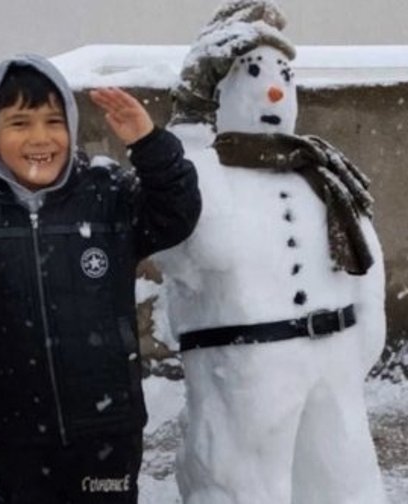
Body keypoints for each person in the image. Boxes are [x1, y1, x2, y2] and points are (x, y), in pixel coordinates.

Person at [0, 53, 200, 503]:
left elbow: (177, 216)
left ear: (71, 128)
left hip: (107, 427)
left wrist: (150, 145)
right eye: (19, 123)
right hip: (14, 429)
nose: (40, 138)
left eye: (54, 121)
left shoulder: (106, 193)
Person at [154, 1, 387, 503]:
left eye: (284, 73)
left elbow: (365, 261)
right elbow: (198, 245)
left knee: (343, 483)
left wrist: (360, 337)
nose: (275, 89)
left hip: (332, 368)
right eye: (253, 73)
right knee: (245, 487)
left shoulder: (323, 173)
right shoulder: (203, 175)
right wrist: (189, 124)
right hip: (244, 376)